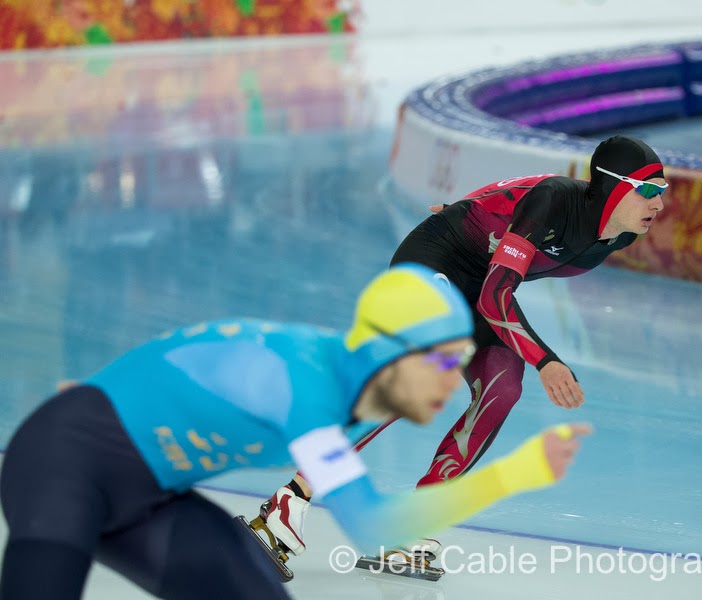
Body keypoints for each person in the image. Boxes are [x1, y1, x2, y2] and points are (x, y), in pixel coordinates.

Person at [0, 263, 590, 599]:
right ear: (393, 352)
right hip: (63, 467)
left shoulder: (355, 386)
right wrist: (516, 474)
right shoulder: (305, 386)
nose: (453, 381)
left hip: (149, 498)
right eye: (443, 362)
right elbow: (373, 528)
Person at [259, 134, 667, 564]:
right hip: (438, 259)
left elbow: (501, 240)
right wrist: (545, 359)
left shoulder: (617, 237)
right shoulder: (556, 199)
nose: (658, 204)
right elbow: (496, 292)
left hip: (479, 284)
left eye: (662, 192)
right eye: (648, 190)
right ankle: (290, 500)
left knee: (504, 385)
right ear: (612, 187)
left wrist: (470, 206)